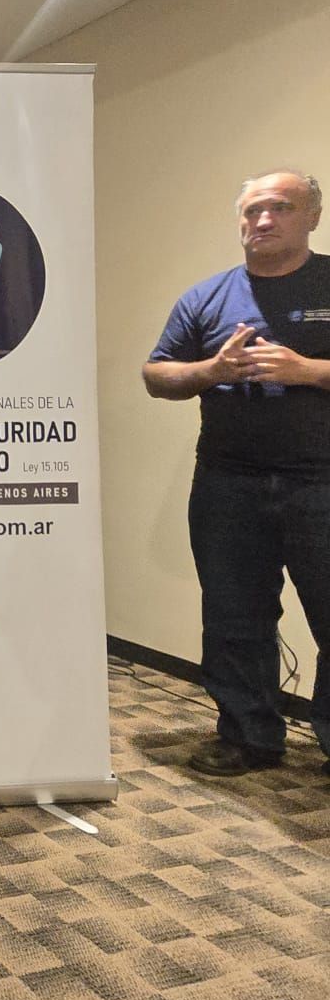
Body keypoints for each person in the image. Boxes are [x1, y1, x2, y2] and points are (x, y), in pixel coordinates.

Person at [143, 169, 330, 779]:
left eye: (280, 208)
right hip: (228, 484)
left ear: (312, 216)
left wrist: (309, 370)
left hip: (321, 483)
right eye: (252, 211)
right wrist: (211, 370)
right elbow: (157, 375)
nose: (263, 221)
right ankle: (248, 737)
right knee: (234, 617)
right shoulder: (207, 297)